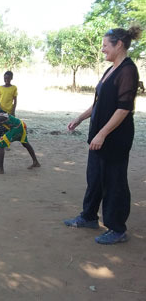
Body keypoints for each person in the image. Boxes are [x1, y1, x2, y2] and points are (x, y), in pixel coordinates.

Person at [64, 26, 142, 245]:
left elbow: (123, 108)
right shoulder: (110, 70)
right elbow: (98, 103)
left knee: (114, 182)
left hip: (115, 140)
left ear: (119, 45)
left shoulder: (128, 70)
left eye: (105, 45)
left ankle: (117, 229)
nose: (102, 50)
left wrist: (102, 134)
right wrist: (80, 118)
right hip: (99, 138)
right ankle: (88, 217)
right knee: (95, 178)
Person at [0, 71, 18, 150]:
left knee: (7, 129)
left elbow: (15, 101)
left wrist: (13, 111)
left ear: (11, 78)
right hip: (0, 111)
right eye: (5, 78)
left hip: (8, 112)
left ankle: (6, 145)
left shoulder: (14, 88)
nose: (6, 79)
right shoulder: (0, 88)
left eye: (8, 78)